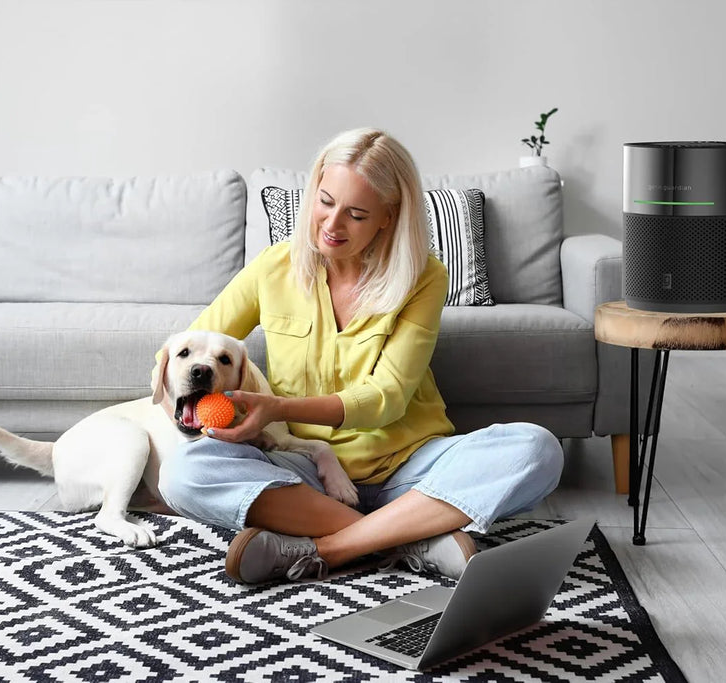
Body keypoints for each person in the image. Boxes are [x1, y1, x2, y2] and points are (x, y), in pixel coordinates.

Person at [157, 128, 563, 584]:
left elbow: (386, 396)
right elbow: (184, 348)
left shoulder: (423, 278)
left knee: (537, 450)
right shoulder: (272, 268)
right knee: (184, 473)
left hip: (411, 469)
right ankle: (409, 540)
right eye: (325, 201)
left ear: (388, 217)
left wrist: (280, 408)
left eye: (355, 213)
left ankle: (331, 548)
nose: (332, 225)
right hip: (306, 472)